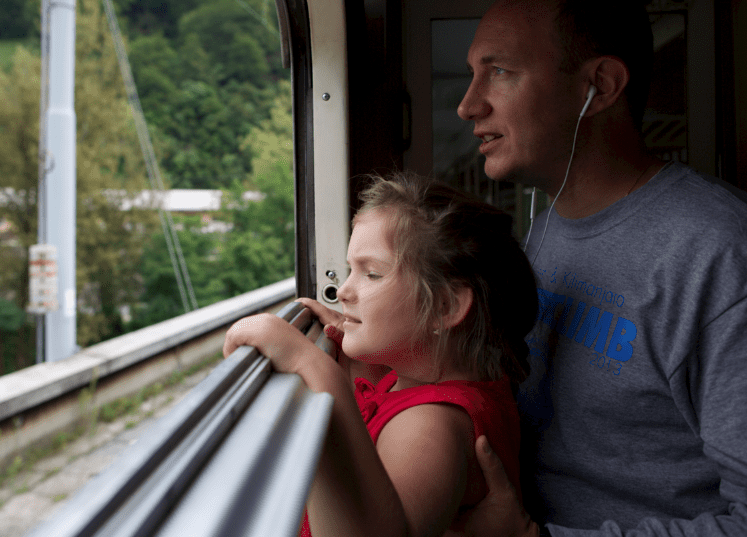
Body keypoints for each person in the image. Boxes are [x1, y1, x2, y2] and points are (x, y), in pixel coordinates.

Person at [456, 0, 747, 536]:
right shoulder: (545, 230)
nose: (469, 105)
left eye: (500, 72)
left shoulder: (727, 258)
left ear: (602, 86)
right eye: (473, 75)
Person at [224, 172, 538, 537]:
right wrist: (355, 356)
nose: (342, 291)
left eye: (371, 274)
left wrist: (313, 370)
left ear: (445, 306)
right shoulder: (427, 380)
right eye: (348, 270)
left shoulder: (432, 426)